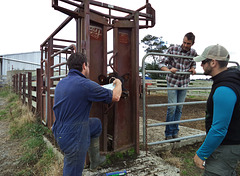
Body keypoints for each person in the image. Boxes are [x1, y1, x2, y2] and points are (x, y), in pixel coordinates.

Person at [51, 52, 122, 176]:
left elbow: (90, 89)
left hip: (59, 130)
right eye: (88, 66)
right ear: (84, 66)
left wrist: (101, 87)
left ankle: (95, 160)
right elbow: (116, 96)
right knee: (72, 171)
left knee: (96, 124)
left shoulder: (62, 83)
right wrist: (119, 83)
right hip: (73, 136)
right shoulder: (84, 84)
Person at [193, 44, 240, 175]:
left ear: (213, 62)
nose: (201, 65)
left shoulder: (224, 88)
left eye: (203, 62)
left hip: (226, 145)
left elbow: (219, 129)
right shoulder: (232, 80)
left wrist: (202, 154)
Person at [159, 32, 197, 140]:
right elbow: (161, 64)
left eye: (188, 43)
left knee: (179, 108)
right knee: (172, 107)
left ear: (192, 44)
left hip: (184, 82)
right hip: (172, 81)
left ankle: (175, 132)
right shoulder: (173, 49)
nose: (185, 45)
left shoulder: (193, 53)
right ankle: (168, 134)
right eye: (184, 42)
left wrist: (193, 68)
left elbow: (194, 63)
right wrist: (169, 70)